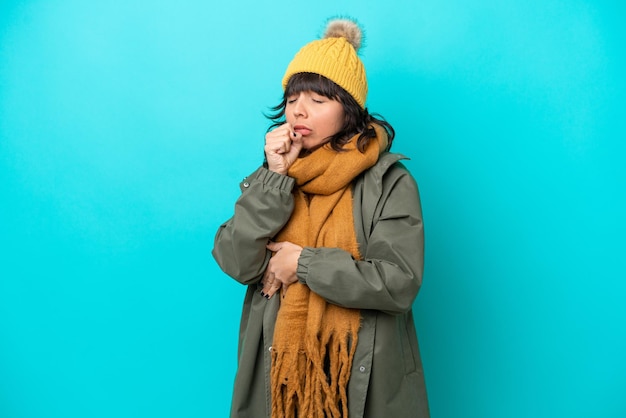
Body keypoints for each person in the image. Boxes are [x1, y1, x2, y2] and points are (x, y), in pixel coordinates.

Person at [212, 17, 429, 418]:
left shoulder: (389, 182)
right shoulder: (278, 174)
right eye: (293, 99)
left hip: (361, 377)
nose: (299, 111)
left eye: (318, 100)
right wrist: (274, 178)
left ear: (349, 110)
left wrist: (302, 263)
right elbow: (236, 262)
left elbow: (398, 282)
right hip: (279, 378)